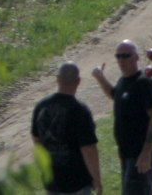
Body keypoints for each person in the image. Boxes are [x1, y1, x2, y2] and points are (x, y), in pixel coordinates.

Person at [91, 40, 152, 195]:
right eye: (118, 56)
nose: (121, 60)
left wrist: (146, 153)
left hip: (140, 155)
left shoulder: (143, 83)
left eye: (126, 56)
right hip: (127, 154)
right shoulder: (124, 81)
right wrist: (100, 77)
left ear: (136, 58)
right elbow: (115, 95)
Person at [30, 61, 101, 195]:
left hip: (52, 180)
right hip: (77, 182)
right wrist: (97, 180)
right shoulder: (80, 110)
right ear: (78, 81)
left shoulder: (41, 106)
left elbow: (36, 139)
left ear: (57, 79)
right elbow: (88, 149)